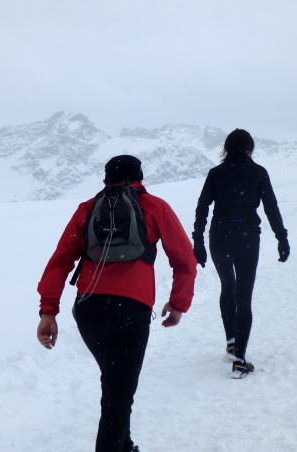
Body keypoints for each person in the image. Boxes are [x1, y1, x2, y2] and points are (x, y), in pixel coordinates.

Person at [36, 155, 197, 452]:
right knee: (118, 394)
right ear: (140, 179)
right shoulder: (154, 206)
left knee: (115, 385)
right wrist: (178, 304)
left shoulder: (87, 209)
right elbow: (185, 259)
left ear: (105, 181)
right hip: (130, 309)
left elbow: (60, 260)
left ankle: (125, 446)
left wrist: (48, 311)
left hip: (89, 309)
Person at [192, 129, 289, 379]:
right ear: (250, 147)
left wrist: (198, 242)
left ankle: (232, 343)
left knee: (228, 287)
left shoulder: (216, 173)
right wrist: (282, 237)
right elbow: (271, 208)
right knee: (244, 296)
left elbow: (202, 207)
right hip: (247, 238)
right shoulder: (258, 172)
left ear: (227, 147)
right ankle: (239, 361)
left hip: (219, 238)